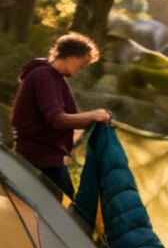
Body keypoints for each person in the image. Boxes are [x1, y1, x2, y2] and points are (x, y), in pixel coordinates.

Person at [10, 33, 112, 197]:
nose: (82, 66)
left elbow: (68, 119)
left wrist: (96, 120)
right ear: (72, 57)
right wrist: (93, 115)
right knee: (66, 213)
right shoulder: (44, 76)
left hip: (45, 158)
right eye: (83, 61)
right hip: (41, 160)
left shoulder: (54, 78)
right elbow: (56, 119)